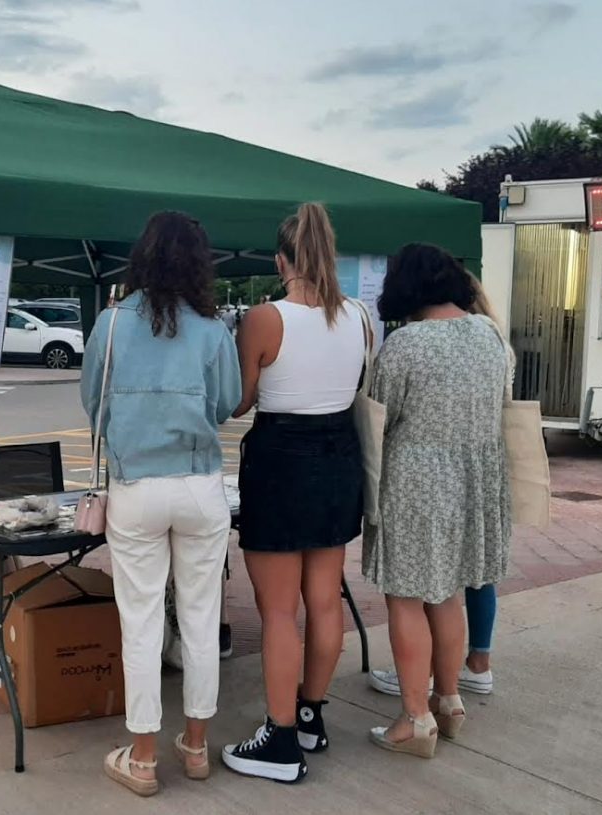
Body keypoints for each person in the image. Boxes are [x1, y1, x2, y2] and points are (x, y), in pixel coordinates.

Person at [81, 211, 241, 797]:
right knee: (200, 619)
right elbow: (226, 402)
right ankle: (195, 745)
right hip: (199, 485)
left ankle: (143, 757)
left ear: (142, 258)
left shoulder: (113, 324)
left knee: (141, 620)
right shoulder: (213, 327)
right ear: (200, 263)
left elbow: (91, 402)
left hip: (136, 487)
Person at [221, 202, 367, 784]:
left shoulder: (263, 318)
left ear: (281, 260)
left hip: (280, 458)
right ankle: (310, 716)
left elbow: (239, 401)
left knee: (278, 610)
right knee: (324, 599)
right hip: (339, 458)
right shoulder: (360, 315)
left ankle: (279, 741)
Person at [362, 243, 511, 759]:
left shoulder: (406, 346)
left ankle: (414, 718)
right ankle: (449, 701)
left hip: (416, 480)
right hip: (474, 477)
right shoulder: (489, 335)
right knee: (447, 593)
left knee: (405, 596)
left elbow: (380, 417)